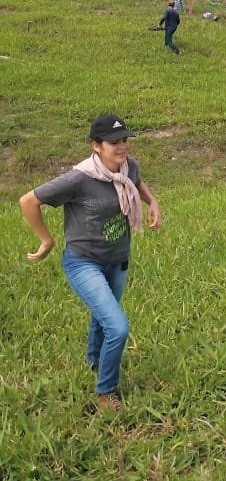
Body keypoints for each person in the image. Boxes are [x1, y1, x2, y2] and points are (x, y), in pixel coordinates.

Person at [18, 114, 161, 407]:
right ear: (96, 145)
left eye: (125, 140)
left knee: (102, 317)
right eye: (113, 142)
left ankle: (94, 361)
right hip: (83, 262)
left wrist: (153, 202)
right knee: (117, 327)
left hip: (118, 259)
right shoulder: (79, 179)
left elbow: (137, 182)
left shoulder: (129, 166)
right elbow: (28, 201)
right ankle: (106, 392)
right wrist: (46, 240)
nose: (122, 146)